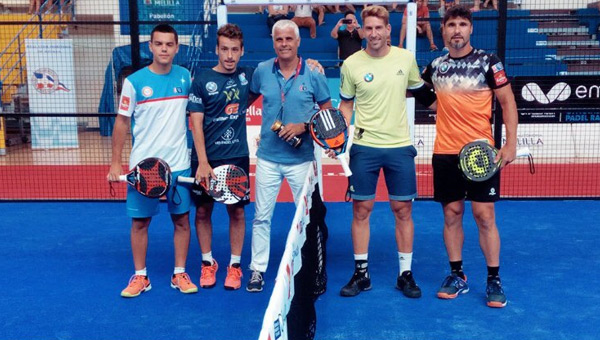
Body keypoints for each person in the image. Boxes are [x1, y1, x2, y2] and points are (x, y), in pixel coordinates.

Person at [336, 5, 436, 298]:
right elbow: (346, 106)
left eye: (379, 28)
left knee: (403, 210)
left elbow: (424, 94)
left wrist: (459, 109)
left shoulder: (406, 59)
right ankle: (361, 274)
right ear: (362, 30)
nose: (374, 33)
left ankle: (405, 274)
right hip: (364, 147)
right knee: (361, 209)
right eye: (369, 28)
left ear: (389, 29)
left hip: (399, 147)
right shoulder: (351, 64)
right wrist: (339, 137)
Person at [421, 5, 517, 308]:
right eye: (451, 25)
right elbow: (421, 94)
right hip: (445, 152)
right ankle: (457, 275)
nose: (457, 30)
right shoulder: (435, 66)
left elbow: (507, 100)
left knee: (484, 216)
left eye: (463, 24)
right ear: (443, 30)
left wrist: (510, 143)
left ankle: (493, 279)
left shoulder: (489, 62)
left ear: (471, 29)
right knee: (451, 214)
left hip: (481, 154)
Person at [107, 24, 197, 298]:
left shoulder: (185, 77)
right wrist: (115, 163)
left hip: (179, 165)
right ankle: (140, 276)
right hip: (144, 168)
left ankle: (179, 272)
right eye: (159, 44)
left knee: (181, 220)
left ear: (177, 47)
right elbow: (122, 123)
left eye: (169, 44)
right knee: (139, 224)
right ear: (151, 47)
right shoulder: (133, 82)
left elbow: (195, 117)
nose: (164, 49)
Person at [246, 19, 332, 292]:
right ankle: (257, 270)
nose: (284, 44)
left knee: (309, 217)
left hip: (303, 159)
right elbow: (245, 100)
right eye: (279, 39)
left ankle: (310, 269)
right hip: (268, 158)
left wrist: (304, 126)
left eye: (288, 39)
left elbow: (327, 115)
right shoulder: (261, 71)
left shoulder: (314, 73)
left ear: (298, 42)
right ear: (273, 43)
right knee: (261, 217)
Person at [187, 24, 254, 291]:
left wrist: (313, 64)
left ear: (242, 51)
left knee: (236, 212)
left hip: (237, 156)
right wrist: (203, 162)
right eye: (224, 49)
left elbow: (281, 68)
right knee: (203, 211)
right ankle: (207, 263)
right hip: (206, 160)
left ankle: (235, 267)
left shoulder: (249, 77)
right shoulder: (202, 80)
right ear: (216, 49)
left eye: (234, 50)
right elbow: (196, 124)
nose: (229, 55)